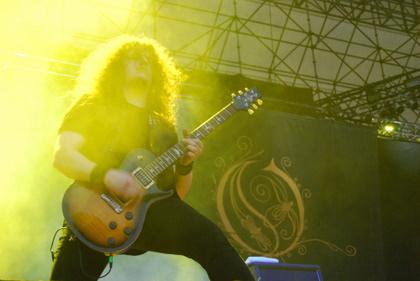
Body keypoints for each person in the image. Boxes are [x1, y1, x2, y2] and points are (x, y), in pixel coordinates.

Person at [49, 35, 254, 281]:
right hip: (92, 208)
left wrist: (186, 165)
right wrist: (108, 176)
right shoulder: (93, 105)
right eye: (133, 58)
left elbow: (175, 195)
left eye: (148, 60)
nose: (142, 62)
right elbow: (63, 155)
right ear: (116, 67)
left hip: (148, 211)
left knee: (211, 241)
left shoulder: (163, 125)